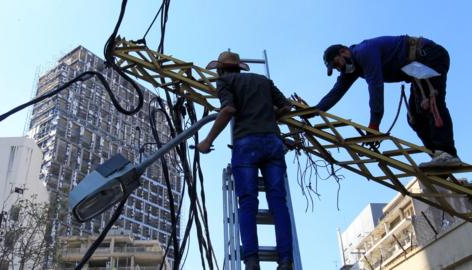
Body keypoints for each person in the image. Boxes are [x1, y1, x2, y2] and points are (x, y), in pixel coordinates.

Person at [196, 51, 293, 270]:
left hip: (247, 144)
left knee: (248, 202)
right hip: (272, 142)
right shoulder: (263, 81)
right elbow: (286, 106)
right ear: (239, 67)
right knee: (278, 202)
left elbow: (228, 109)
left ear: (220, 69)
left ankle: (251, 261)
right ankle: (285, 260)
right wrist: (267, 117)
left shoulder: (224, 81)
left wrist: (207, 140)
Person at [316, 35, 461, 167]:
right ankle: (438, 157)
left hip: (428, 56)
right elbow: (336, 92)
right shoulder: (354, 68)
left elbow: (376, 87)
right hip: (416, 69)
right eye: (335, 68)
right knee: (415, 119)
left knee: (431, 104)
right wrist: (315, 111)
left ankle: (447, 154)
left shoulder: (364, 52)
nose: (339, 69)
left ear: (344, 52)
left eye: (337, 64)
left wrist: (374, 123)